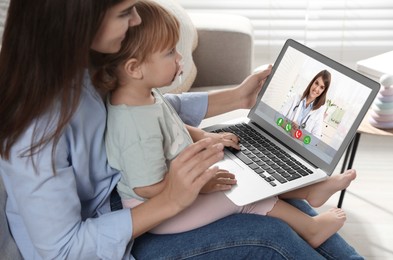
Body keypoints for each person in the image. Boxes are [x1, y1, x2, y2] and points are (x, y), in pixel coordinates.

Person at [0, 0, 363, 259]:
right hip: (116, 227)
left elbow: (150, 111)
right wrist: (173, 197)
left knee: (274, 190)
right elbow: (62, 250)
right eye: (125, 12)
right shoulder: (33, 130)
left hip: (134, 190)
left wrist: (236, 97)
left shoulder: (84, 67)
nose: (138, 19)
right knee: (269, 234)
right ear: (75, 19)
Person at [94, 0, 356, 249]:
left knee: (243, 169)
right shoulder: (133, 125)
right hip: (160, 212)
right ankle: (310, 228)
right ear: (134, 68)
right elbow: (146, 187)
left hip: (177, 184)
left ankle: (310, 190)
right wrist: (201, 186)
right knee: (240, 194)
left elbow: (173, 128)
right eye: (169, 52)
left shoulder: (145, 95)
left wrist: (206, 138)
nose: (179, 59)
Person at [280, 70, 331, 139]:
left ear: (323, 91)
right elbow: (278, 117)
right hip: (281, 136)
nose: (316, 89)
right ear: (312, 82)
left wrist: (297, 134)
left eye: (321, 87)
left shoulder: (319, 111)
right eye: (316, 83)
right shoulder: (296, 98)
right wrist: (289, 128)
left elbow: (316, 139)